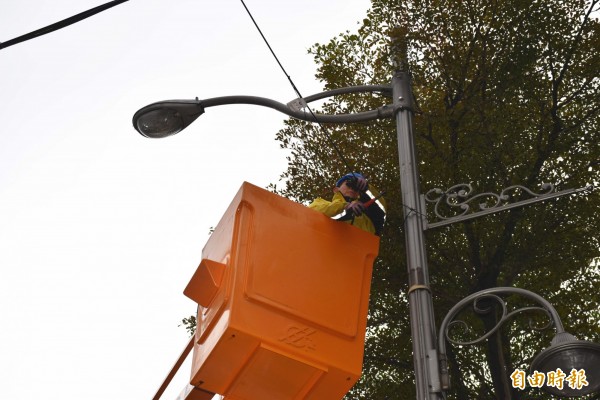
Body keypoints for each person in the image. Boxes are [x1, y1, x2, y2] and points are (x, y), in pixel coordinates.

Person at [308, 173, 386, 235]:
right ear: (336, 189)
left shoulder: (365, 219)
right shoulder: (320, 203)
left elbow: (381, 210)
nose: (352, 188)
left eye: (356, 188)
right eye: (349, 184)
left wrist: (367, 189)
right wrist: (345, 208)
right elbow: (311, 213)